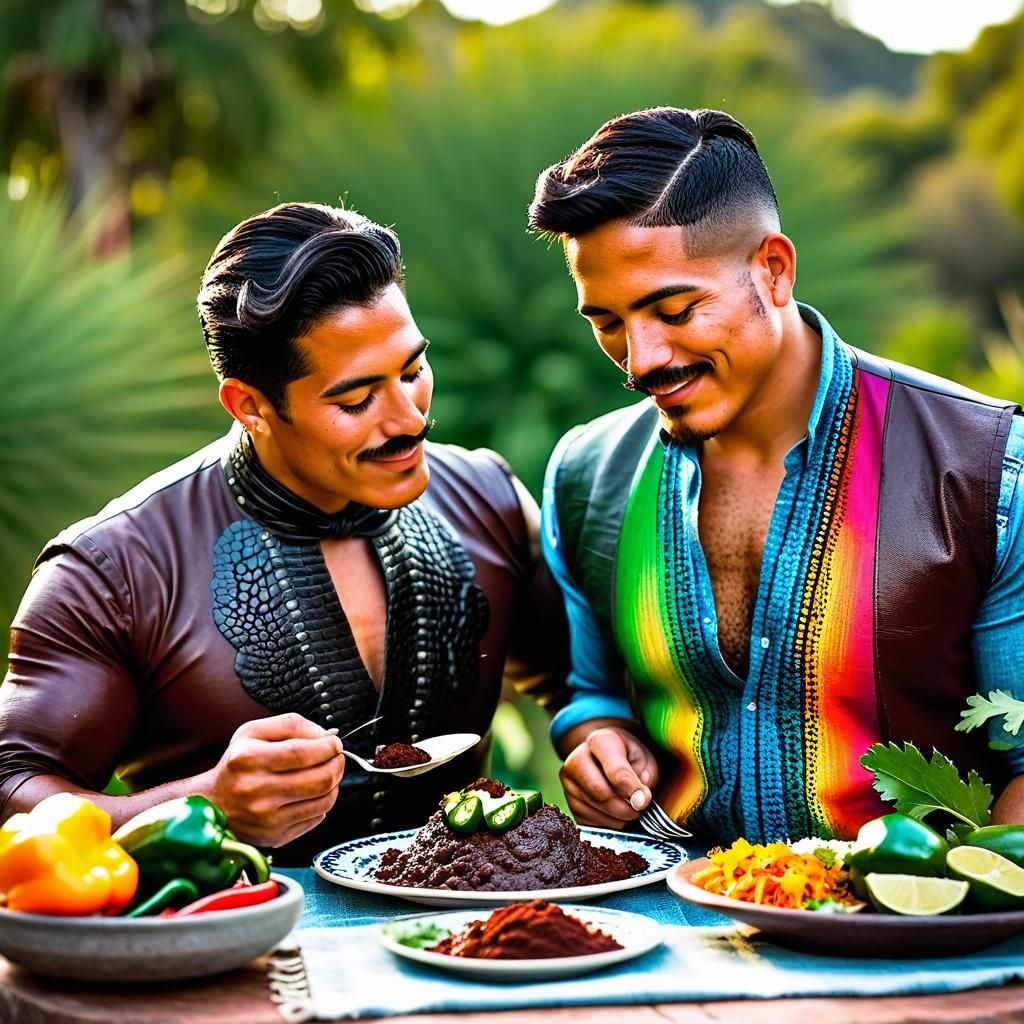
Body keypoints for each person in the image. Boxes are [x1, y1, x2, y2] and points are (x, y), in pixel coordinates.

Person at [0, 202, 567, 865]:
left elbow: (587, 685)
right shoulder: (114, 569)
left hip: (471, 949)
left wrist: (599, 732)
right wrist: (207, 803)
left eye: (412, 370)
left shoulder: (488, 498)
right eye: (356, 401)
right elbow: (11, 787)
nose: (409, 419)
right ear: (249, 405)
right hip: (223, 953)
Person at [527, 106, 1024, 846]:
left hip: (914, 946)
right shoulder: (587, 475)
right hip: (671, 939)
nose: (640, 360)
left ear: (774, 269)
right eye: (606, 322)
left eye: (674, 309)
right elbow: (594, 694)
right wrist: (596, 741)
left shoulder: (989, 472)